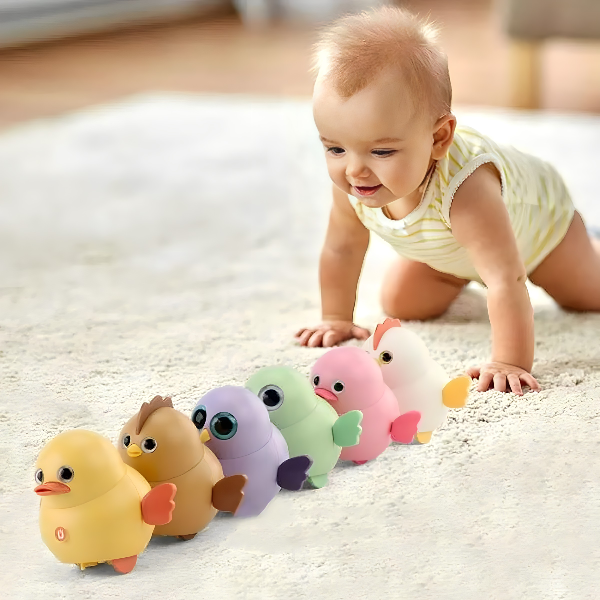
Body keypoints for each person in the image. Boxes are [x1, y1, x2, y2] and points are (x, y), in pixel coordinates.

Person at [295, 6, 600, 395]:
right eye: (335, 149)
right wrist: (336, 318)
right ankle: (459, 268)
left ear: (438, 139)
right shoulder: (353, 186)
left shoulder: (468, 193)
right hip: (457, 248)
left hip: (543, 233)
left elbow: (507, 277)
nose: (354, 171)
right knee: (402, 303)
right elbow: (342, 248)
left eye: (381, 152)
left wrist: (509, 361)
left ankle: (591, 240)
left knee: (588, 297)